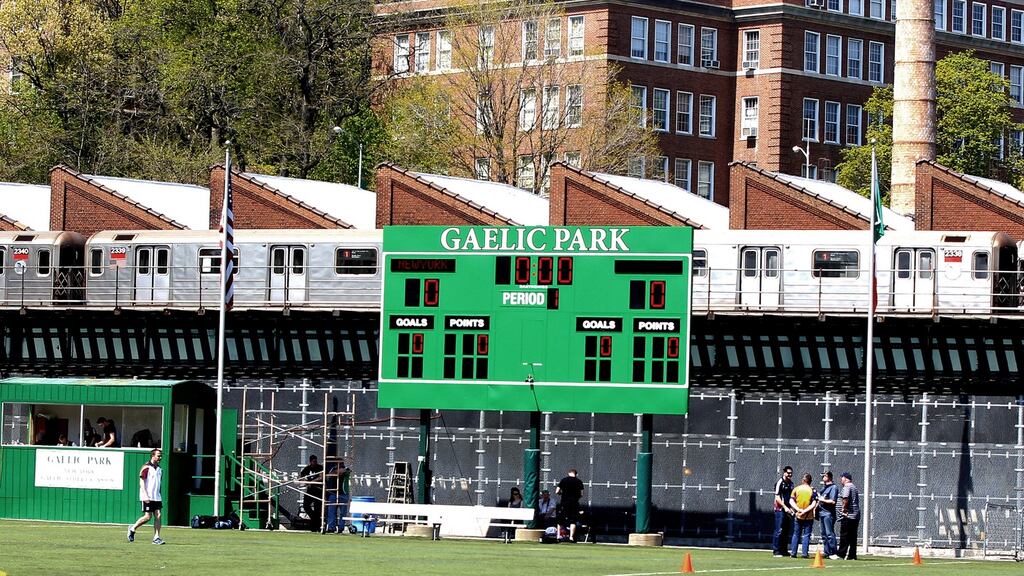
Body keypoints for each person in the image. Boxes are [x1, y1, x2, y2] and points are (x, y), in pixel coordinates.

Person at [128, 449, 165, 545]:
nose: (160, 458)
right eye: (158, 456)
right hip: (147, 496)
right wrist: (145, 495)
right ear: (153, 456)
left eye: (160, 456)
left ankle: (156, 537)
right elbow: (142, 481)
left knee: (158, 515)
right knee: (148, 517)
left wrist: (158, 495)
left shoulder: (160, 469)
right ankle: (132, 528)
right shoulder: (146, 467)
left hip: (156, 497)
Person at [789, 473, 818, 559]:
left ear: (803, 480)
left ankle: (793, 553)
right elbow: (813, 503)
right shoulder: (812, 490)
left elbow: (791, 501)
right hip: (808, 516)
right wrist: (805, 511)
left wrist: (799, 510)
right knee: (806, 535)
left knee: (796, 534)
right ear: (810, 481)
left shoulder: (797, 489)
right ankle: (804, 554)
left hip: (798, 515)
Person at [556, 468, 584, 542]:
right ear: (576, 474)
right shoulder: (579, 482)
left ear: (568, 473)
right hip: (574, 503)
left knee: (560, 520)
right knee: (573, 520)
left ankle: (558, 536)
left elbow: (557, 491)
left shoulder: (563, 480)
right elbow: (581, 494)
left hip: (564, 502)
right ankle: (571, 537)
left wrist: (562, 494)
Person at [836, 472, 860, 560]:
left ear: (845, 478)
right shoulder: (853, 486)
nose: (841, 480)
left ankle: (841, 554)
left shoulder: (847, 487)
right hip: (855, 515)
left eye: (842, 478)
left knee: (844, 535)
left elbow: (845, 498)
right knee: (853, 536)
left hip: (848, 516)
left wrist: (844, 509)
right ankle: (852, 555)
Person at [772, 466, 795, 557]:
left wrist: (791, 508)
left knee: (786, 530)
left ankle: (784, 550)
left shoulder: (791, 484)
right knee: (779, 530)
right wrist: (784, 507)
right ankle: (776, 550)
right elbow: (777, 497)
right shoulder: (780, 483)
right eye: (788, 473)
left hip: (788, 510)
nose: (790, 475)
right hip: (780, 509)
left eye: (791, 473)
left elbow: (792, 497)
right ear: (784, 472)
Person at [324, 460, 351, 534]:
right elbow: (329, 474)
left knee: (343, 513)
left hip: (343, 494)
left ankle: (341, 528)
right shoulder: (333, 469)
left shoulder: (347, 469)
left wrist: (338, 471)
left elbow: (342, 471)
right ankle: (331, 527)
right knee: (331, 512)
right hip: (333, 493)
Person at [817, 471, 839, 559]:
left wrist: (822, 500)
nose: (823, 478)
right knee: (823, 534)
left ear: (829, 477)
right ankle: (827, 552)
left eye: (824, 476)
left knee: (829, 533)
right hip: (821, 513)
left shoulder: (833, 487)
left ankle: (833, 552)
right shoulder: (824, 488)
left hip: (828, 514)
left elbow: (833, 501)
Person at [300, 455, 324, 532]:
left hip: (318, 491)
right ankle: (314, 520)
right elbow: (301, 477)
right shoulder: (307, 469)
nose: (315, 463)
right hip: (310, 491)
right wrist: (306, 481)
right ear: (310, 461)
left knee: (317, 508)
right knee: (306, 505)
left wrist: (312, 482)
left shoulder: (320, 468)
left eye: (316, 461)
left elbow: (321, 477)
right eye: (313, 461)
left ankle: (316, 525)